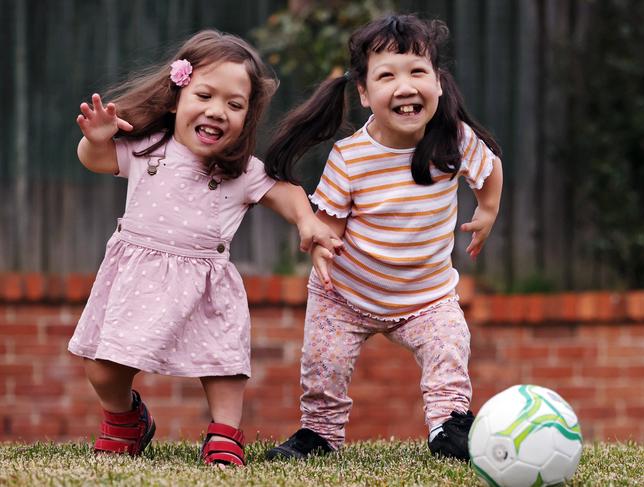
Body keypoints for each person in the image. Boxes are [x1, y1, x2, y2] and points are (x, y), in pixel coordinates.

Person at [67, 30, 342, 468]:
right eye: (205, 95)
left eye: (235, 105)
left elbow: (285, 192)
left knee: (222, 365)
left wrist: (308, 221)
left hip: (206, 284)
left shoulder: (242, 172)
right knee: (101, 367)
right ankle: (125, 421)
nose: (217, 111)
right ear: (177, 98)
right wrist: (97, 139)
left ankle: (225, 431)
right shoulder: (146, 151)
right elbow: (95, 159)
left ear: (247, 117)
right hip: (136, 279)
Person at [263, 14, 503, 462]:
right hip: (346, 296)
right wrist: (322, 248)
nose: (405, 86)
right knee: (324, 367)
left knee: (450, 350)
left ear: (437, 82)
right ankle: (319, 434)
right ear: (363, 92)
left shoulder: (454, 140)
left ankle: (448, 426)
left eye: (417, 72)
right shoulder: (350, 157)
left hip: (426, 299)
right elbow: (329, 222)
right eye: (387, 75)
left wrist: (487, 210)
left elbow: (490, 171)